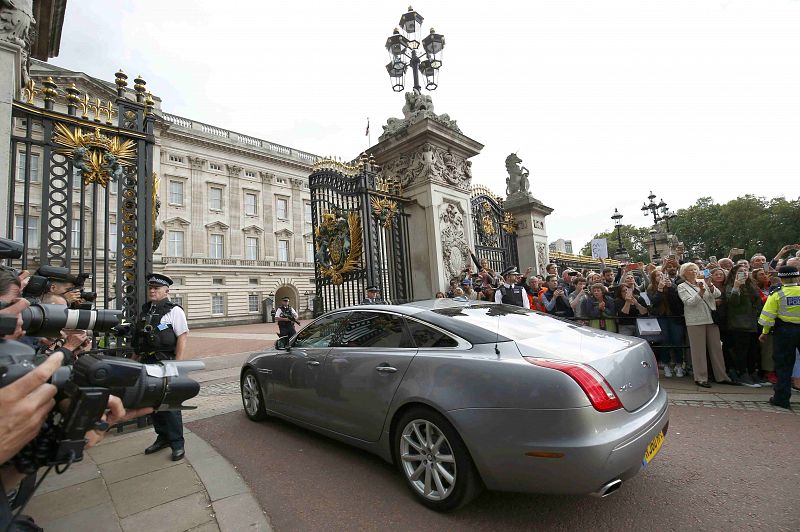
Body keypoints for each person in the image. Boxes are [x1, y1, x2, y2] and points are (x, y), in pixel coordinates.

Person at [134, 273, 189, 461]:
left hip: (165, 362)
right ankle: (163, 437)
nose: (152, 290)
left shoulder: (174, 311)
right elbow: (139, 340)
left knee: (170, 404)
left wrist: (177, 364)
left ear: (167, 291)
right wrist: (135, 361)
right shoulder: (145, 311)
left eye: (156, 288)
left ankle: (177, 443)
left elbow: (182, 337)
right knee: (153, 403)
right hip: (146, 363)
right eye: (150, 287)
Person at [678, 263, 733, 388]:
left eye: (695, 270)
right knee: (699, 350)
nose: (694, 272)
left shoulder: (702, 282)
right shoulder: (682, 286)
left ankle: (721, 376)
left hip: (711, 319)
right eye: (690, 270)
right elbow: (689, 302)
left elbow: (717, 294)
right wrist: (700, 292)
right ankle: (701, 377)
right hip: (695, 321)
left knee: (716, 348)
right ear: (684, 273)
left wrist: (710, 285)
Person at [758, 266, 800, 409]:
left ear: (781, 278)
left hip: (785, 331)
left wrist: (764, 332)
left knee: (783, 365)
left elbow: (768, 315)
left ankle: (782, 398)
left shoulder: (777, 294)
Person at [725, 264, 764, 387]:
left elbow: (758, 303)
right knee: (741, 351)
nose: (745, 273)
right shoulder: (730, 286)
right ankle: (742, 374)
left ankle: (752, 373)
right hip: (739, 324)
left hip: (752, 323)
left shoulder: (752, 286)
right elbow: (733, 303)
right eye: (741, 271)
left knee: (753, 350)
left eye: (746, 270)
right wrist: (736, 287)